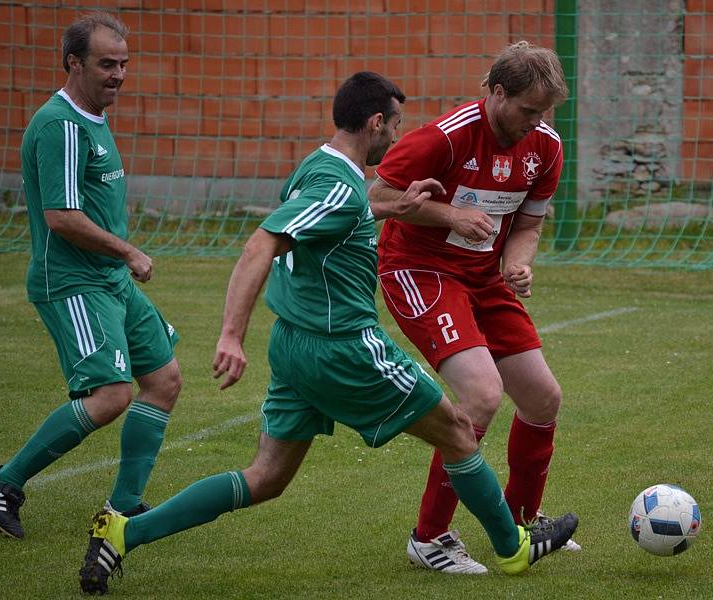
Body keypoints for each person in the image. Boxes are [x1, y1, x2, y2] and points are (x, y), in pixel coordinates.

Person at [78, 71, 578, 594]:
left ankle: (124, 530)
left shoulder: (317, 168)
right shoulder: (341, 187)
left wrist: (402, 207)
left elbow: (336, 217)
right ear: (376, 123)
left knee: (265, 477)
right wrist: (229, 334)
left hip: (293, 345)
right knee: (459, 428)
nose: (399, 138)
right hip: (342, 347)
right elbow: (260, 245)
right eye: (395, 126)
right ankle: (511, 547)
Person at [369, 40, 580, 574]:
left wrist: (519, 263)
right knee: (482, 395)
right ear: (496, 92)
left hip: (485, 278)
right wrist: (450, 216)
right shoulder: (445, 137)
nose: (535, 123)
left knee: (542, 398)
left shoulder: (547, 148)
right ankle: (430, 536)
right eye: (528, 110)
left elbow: (527, 226)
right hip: (419, 271)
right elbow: (372, 198)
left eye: (544, 113)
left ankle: (518, 521)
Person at [0, 13, 181, 540]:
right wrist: (129, 252)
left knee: (163, 381)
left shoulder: (93, 117)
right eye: (106, 64)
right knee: (111, 394)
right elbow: (62, 217)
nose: (118, 74)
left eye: (123, 64)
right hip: (73, 282)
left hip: (110, 282)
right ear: (74, 63)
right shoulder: (61, 125)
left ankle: (121, 507)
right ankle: (4, 482)